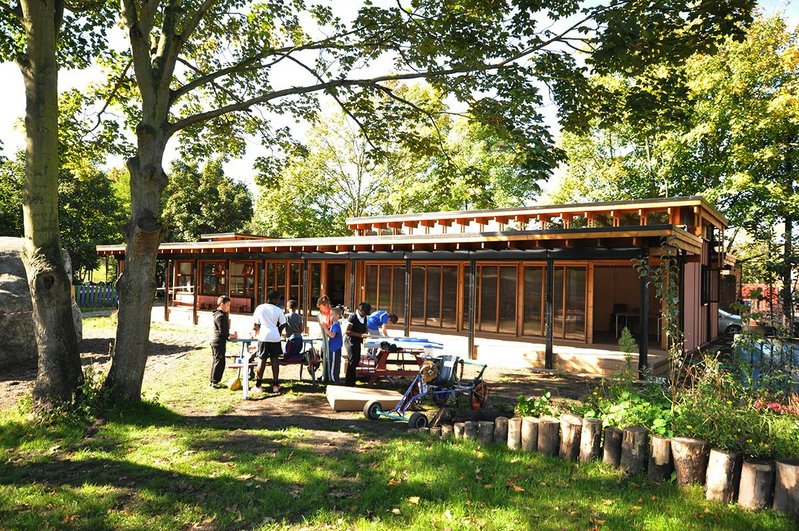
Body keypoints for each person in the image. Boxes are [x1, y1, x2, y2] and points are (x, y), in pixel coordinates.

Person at [253, 290, 287, 393]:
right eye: (278, 299)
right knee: (275, 360)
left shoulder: (260, 308)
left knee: (261, 359)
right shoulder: (278, 310)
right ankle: (276, 385)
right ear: (275, 299)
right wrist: (279, 331)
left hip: (263, 336)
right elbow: (283, 323)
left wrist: (259, 331)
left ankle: (258, 385)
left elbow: (256, 324)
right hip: (275, 337)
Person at [210, 295, 237, 388]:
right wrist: (231, 335)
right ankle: (214, 382)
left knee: (218, 361)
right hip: (218, 341)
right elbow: (222, 332)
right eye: (228, 305)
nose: (229, 307)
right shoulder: (220, 316)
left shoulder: (219, 314)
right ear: (222, 304)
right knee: (219, 362)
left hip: (217, 341)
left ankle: (214, 381)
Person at [344, 302, 370, 386]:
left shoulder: (365, 317)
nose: (365, 315)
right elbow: (347, 331)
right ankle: (349, 382)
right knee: (352, 360)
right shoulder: (353, 317)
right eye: (365, 313)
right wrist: (360, 335)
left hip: (358, 341)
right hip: (350, 341)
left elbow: (364, 327)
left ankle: (353, 380)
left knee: (356, 360)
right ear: (360, 310)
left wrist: (365, 333)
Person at [324, 306, 344, 384]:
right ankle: (333, 378)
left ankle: (333, 379)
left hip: (335, 348)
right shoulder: (334, 325)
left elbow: (332, 335)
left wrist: (325, 328)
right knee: (334, 363)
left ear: (337, 316)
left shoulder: (336, 325)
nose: (330, 317)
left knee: (334, 364)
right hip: (334, 348)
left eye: (332, 315)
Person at [317, 295, 332, 382]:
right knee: (323, 356)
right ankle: (324, 373)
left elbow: (329, 327)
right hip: (324, 336)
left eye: (321, 307)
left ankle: (328, 375)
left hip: (329, 338)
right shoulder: (323, 314)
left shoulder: (331, 313)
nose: (321, 310)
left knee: (327, 356)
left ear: (326, 305)